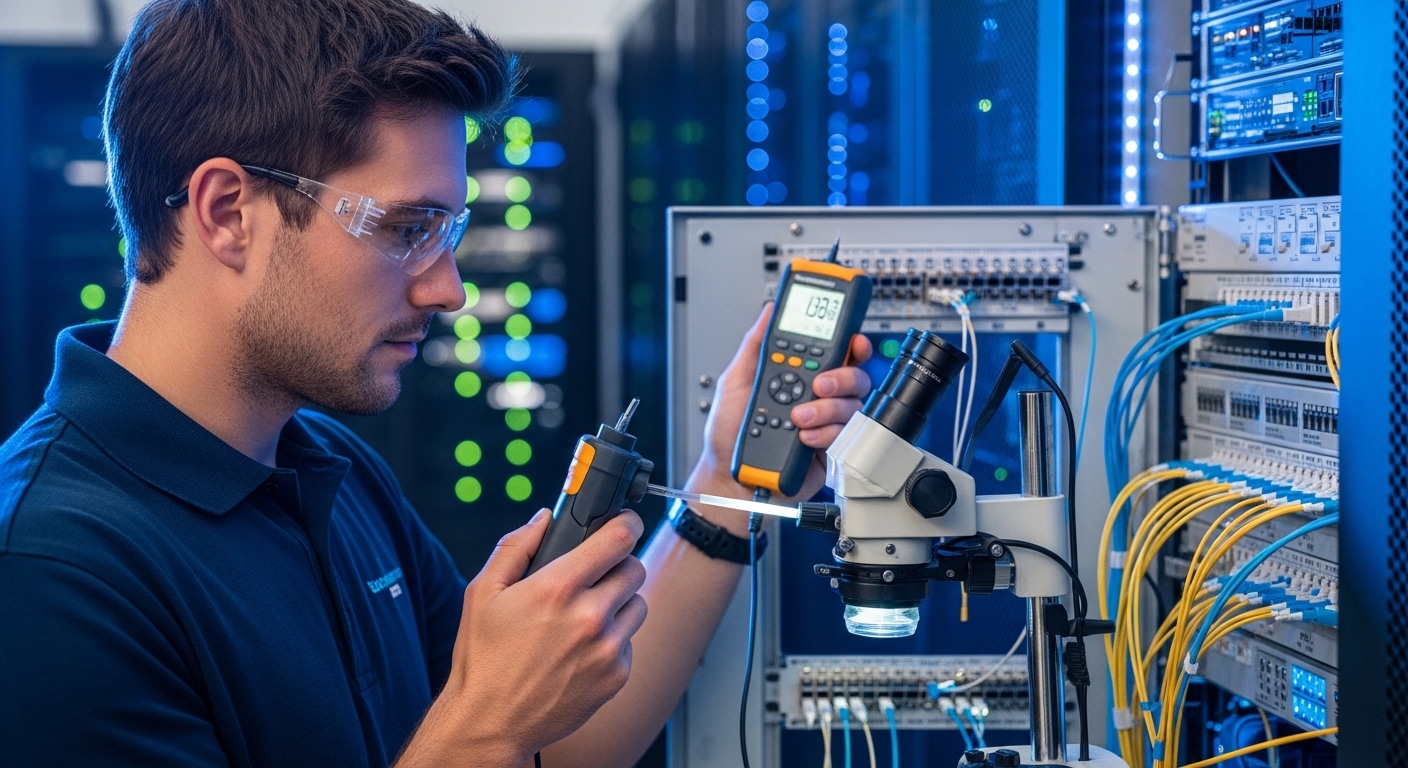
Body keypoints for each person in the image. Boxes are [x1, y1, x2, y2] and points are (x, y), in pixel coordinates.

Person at [0, 1, 874, 766]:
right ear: (229, 212)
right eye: (407, 226)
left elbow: (549, 750)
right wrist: (483, 728)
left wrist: (724, 481)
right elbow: (488, 739)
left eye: (448, 229)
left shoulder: (327, 469)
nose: (446, 287)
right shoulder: (51, 572)